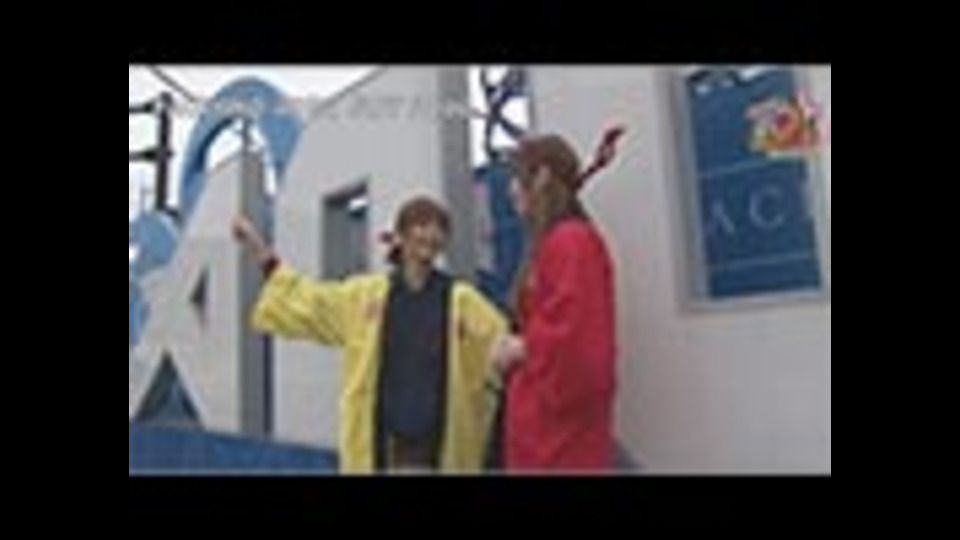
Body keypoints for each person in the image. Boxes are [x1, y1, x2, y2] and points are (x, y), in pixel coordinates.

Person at [233, 196, 509, 474]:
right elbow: (309, 301)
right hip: (382, 446)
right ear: (400, 236)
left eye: (439, 228)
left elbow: (505, 346)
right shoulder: (366, 297)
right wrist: (260, 249)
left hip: (438, 449)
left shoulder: (463, 303)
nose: (431, 234)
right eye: (422, 225)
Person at [492, 127, 625, 472]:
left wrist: (520, 348)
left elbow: (580, 348)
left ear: (541, 178)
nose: (511, 189)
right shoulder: (559, 242)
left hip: (559, 439)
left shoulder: (571, 243)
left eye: (517, 177)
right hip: (544, 430)